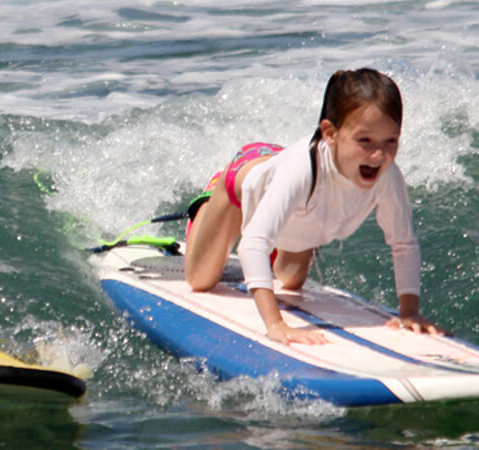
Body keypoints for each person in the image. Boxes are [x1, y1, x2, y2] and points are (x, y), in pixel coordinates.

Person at [184, 68, 443, 345]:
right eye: (364, 141)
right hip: (243, 182)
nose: (379, 155)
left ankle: (275, 228)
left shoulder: (387, 175)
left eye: (390, 141)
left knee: (291, 281)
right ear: (330, 133)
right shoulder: (302, 170)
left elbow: (404, 244)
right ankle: (208, 203)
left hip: (295, 198)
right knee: (201, 280)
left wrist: (409, 311)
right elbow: (251, 244)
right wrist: (276, 325)